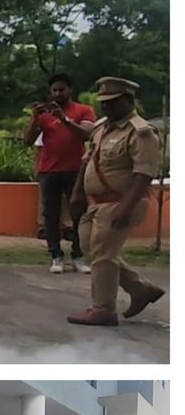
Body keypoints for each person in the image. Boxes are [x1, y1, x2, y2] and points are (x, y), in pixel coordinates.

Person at [67, 77, 165, 327]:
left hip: (120, 202)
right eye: (103, 102)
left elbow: (144, 174)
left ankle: (103, 309)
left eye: (112, 102)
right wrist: (78, 191)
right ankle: (141, 289)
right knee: (93, 250)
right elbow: (88, 160)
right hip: (96, 203)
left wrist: (126, 207)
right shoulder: (101, 127)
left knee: (103, 253)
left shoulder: (141, 132)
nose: (106, 106)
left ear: (128, 101)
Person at [25, 73, 96, 274]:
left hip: (75, 169)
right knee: (51, 215)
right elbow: (28, 140)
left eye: (61, 90)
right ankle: (56, 255)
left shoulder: (83, 110)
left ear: (70, 90)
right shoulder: (44, 114)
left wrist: (63, 119)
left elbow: (86, 134)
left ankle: (78, 255)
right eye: (54, 90)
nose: (57, 94)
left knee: (78, 213)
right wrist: (35, 119)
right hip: (49, 171)